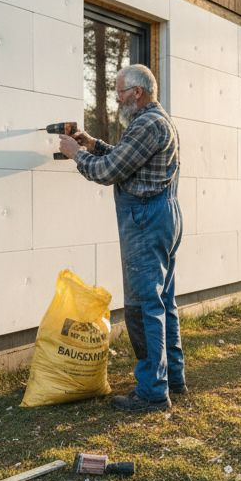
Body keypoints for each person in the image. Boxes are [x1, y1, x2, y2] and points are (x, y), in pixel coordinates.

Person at [57, 64, 184, 413]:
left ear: (137, 93)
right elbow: (125, 156)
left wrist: (75, 154)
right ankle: (173, 376)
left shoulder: (147, 124)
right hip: (163, 215)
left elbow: (109, 171)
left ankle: (152, 393)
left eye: (121, 92)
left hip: (146, 219)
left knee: (143, 308)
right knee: (162, 302)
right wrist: (93, 143)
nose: (117, 98)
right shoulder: (158, 120)